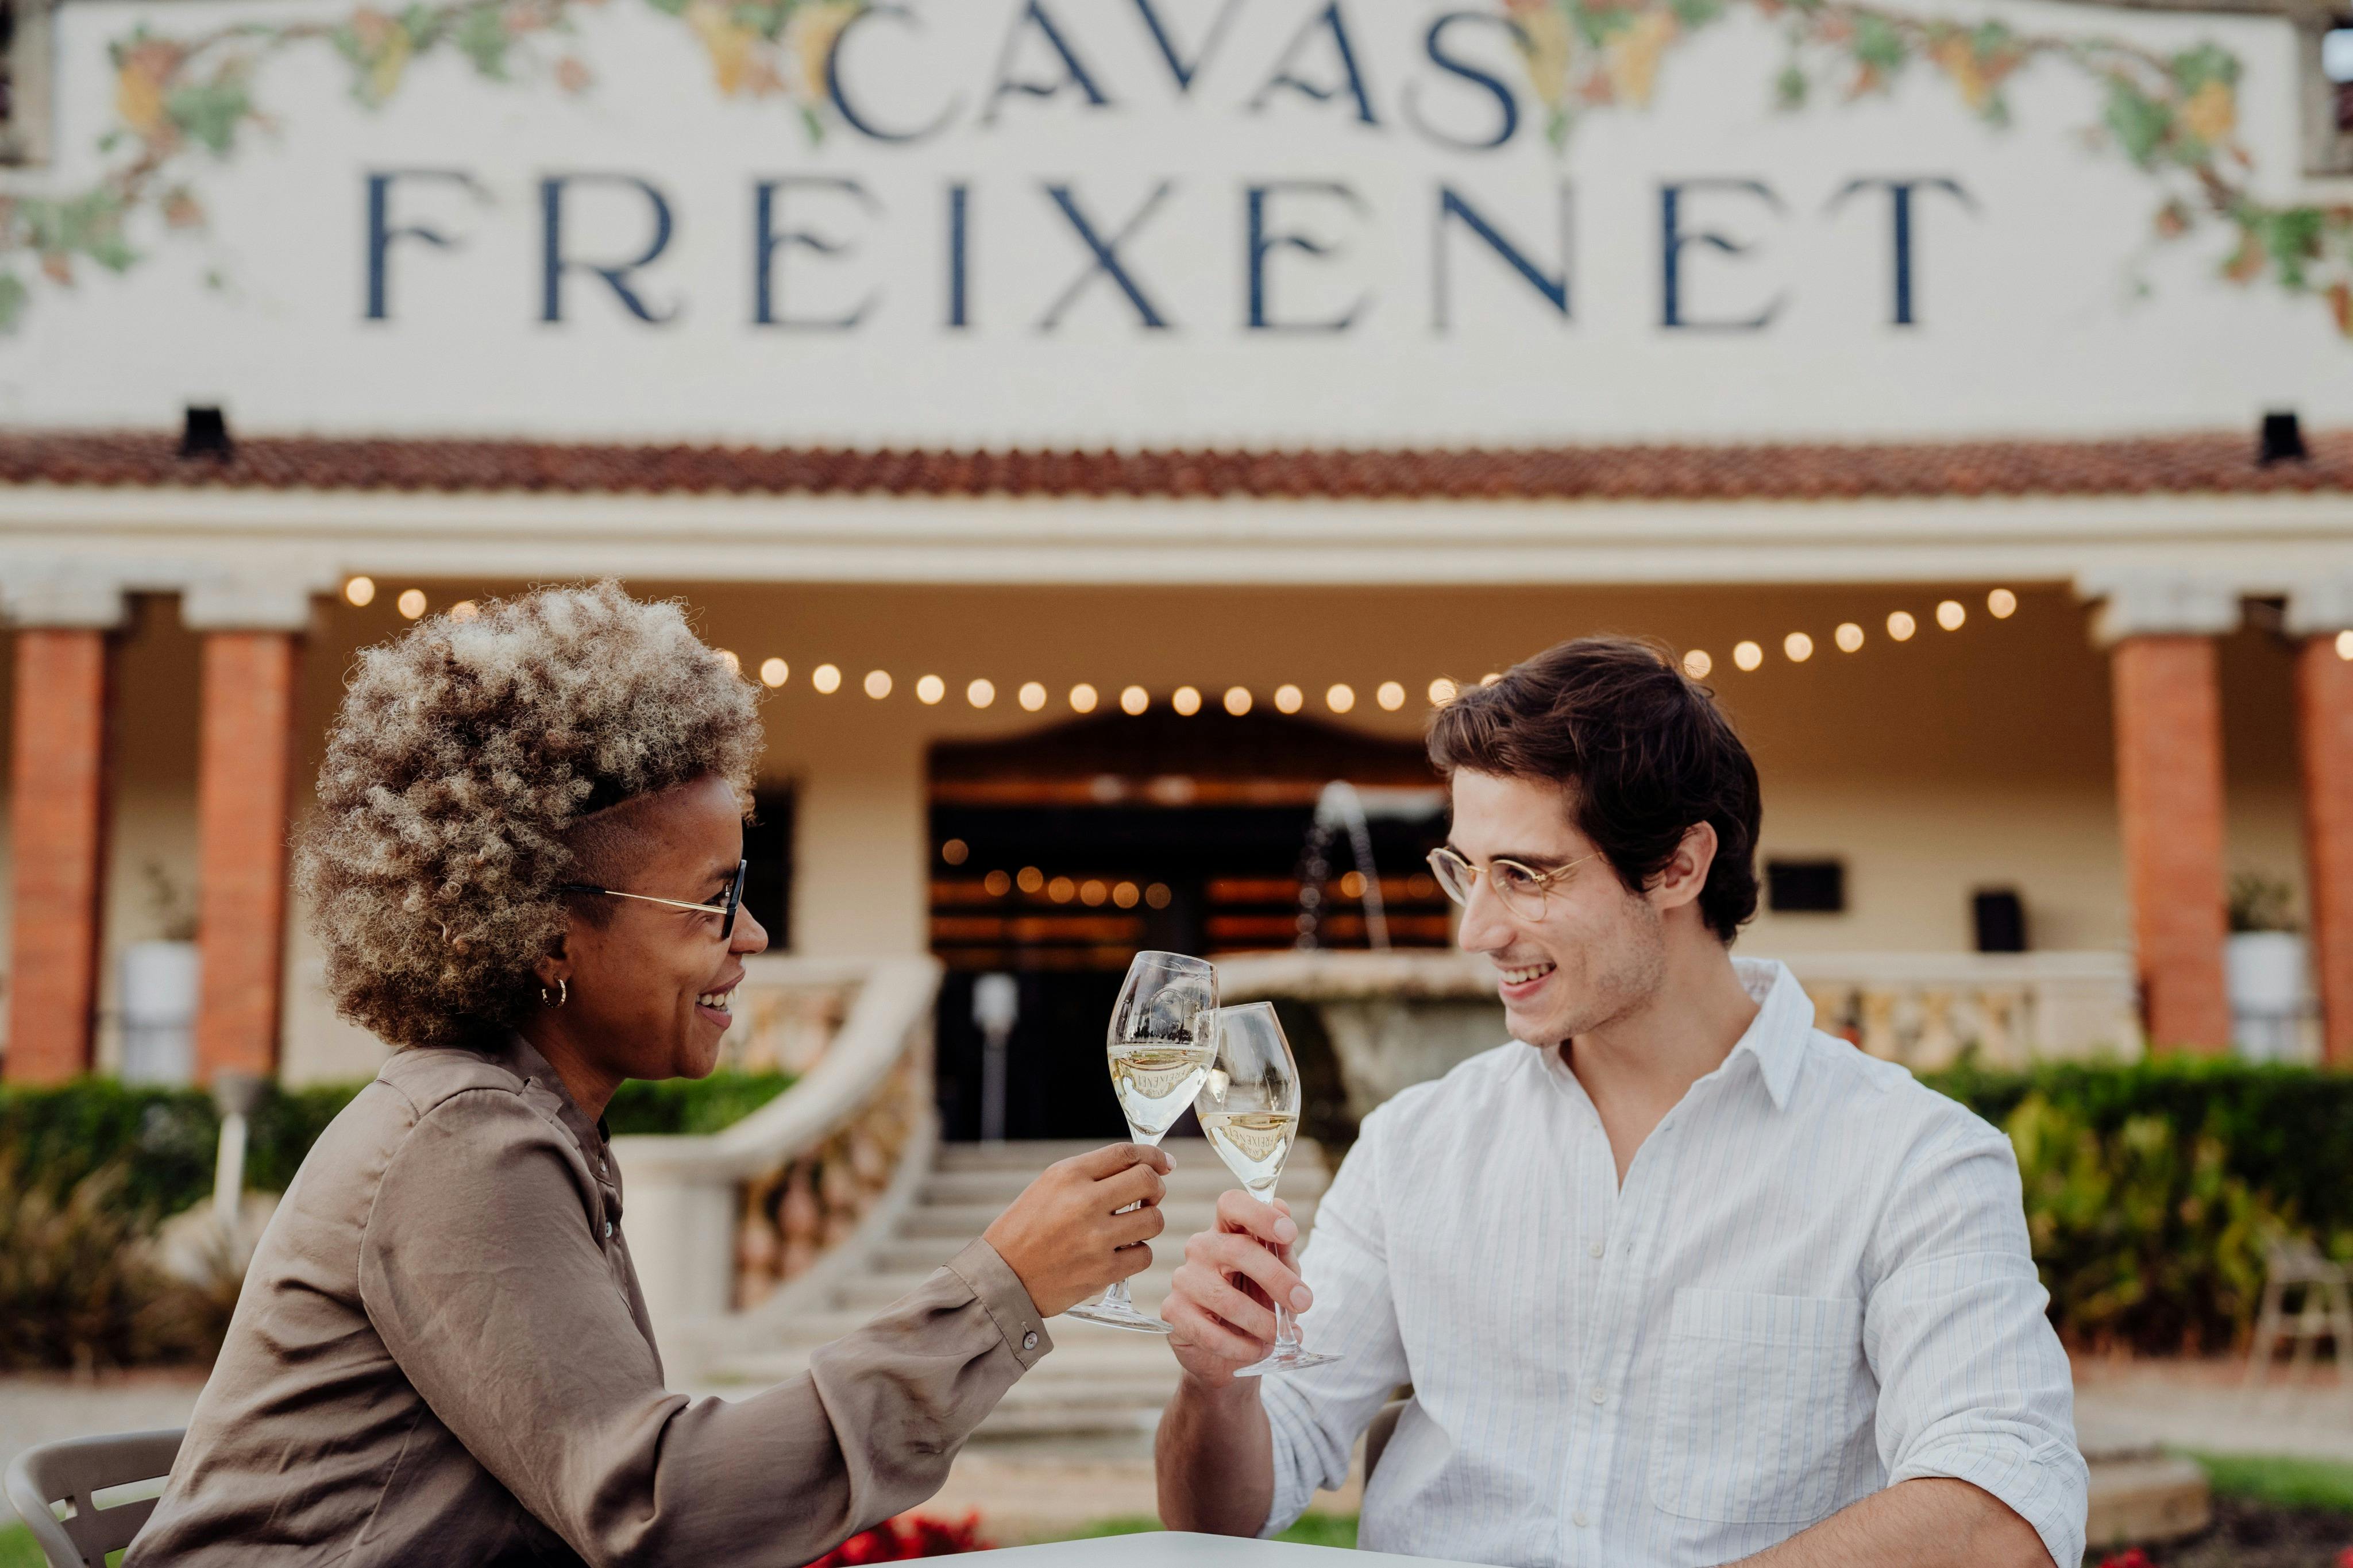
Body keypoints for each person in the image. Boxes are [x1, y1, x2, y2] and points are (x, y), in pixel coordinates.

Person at [129, 583, 1168, 1566]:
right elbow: (661, 1514)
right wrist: (998, 1294)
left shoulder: (524, 1120)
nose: (752, 936)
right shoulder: (464, 1145)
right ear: (545, 930)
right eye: (714, 899)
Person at [1155, 637, 2086, 1568]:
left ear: (1679, 867)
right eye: (1465, 870)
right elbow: (1223, 1515)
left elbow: (2002, 1508)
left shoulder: (1914, 1159)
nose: (1477, 929)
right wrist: (1218, 1385)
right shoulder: (1414, 1145)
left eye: (1525, 874)